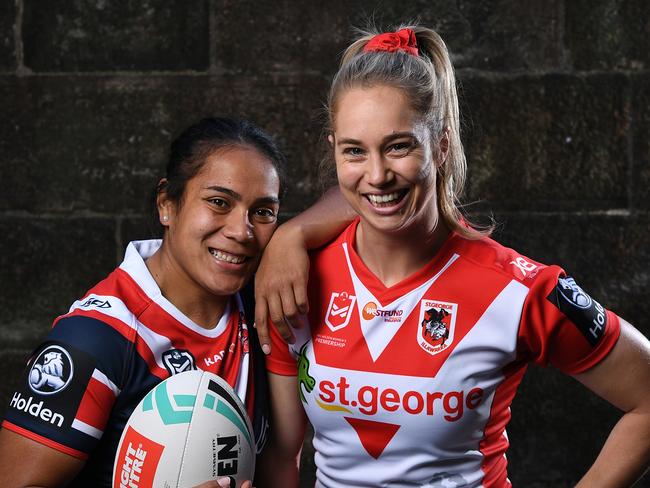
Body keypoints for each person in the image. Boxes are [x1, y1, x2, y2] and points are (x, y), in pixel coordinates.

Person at [254, 25, 650, 487]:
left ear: (441, 144)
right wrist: (289, 236)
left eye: (399, 146)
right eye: (355, 151)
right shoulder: (295, 277)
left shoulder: (516, 289)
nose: (377, 175)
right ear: (334, 151)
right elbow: (283, 454)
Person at [0, 117, 288, 488]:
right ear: (167, 204)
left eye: (263, 211)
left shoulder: (264, 303)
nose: (241, 231)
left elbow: (370, 200)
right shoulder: (94, 341)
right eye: (219, 202)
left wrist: (296, 235)